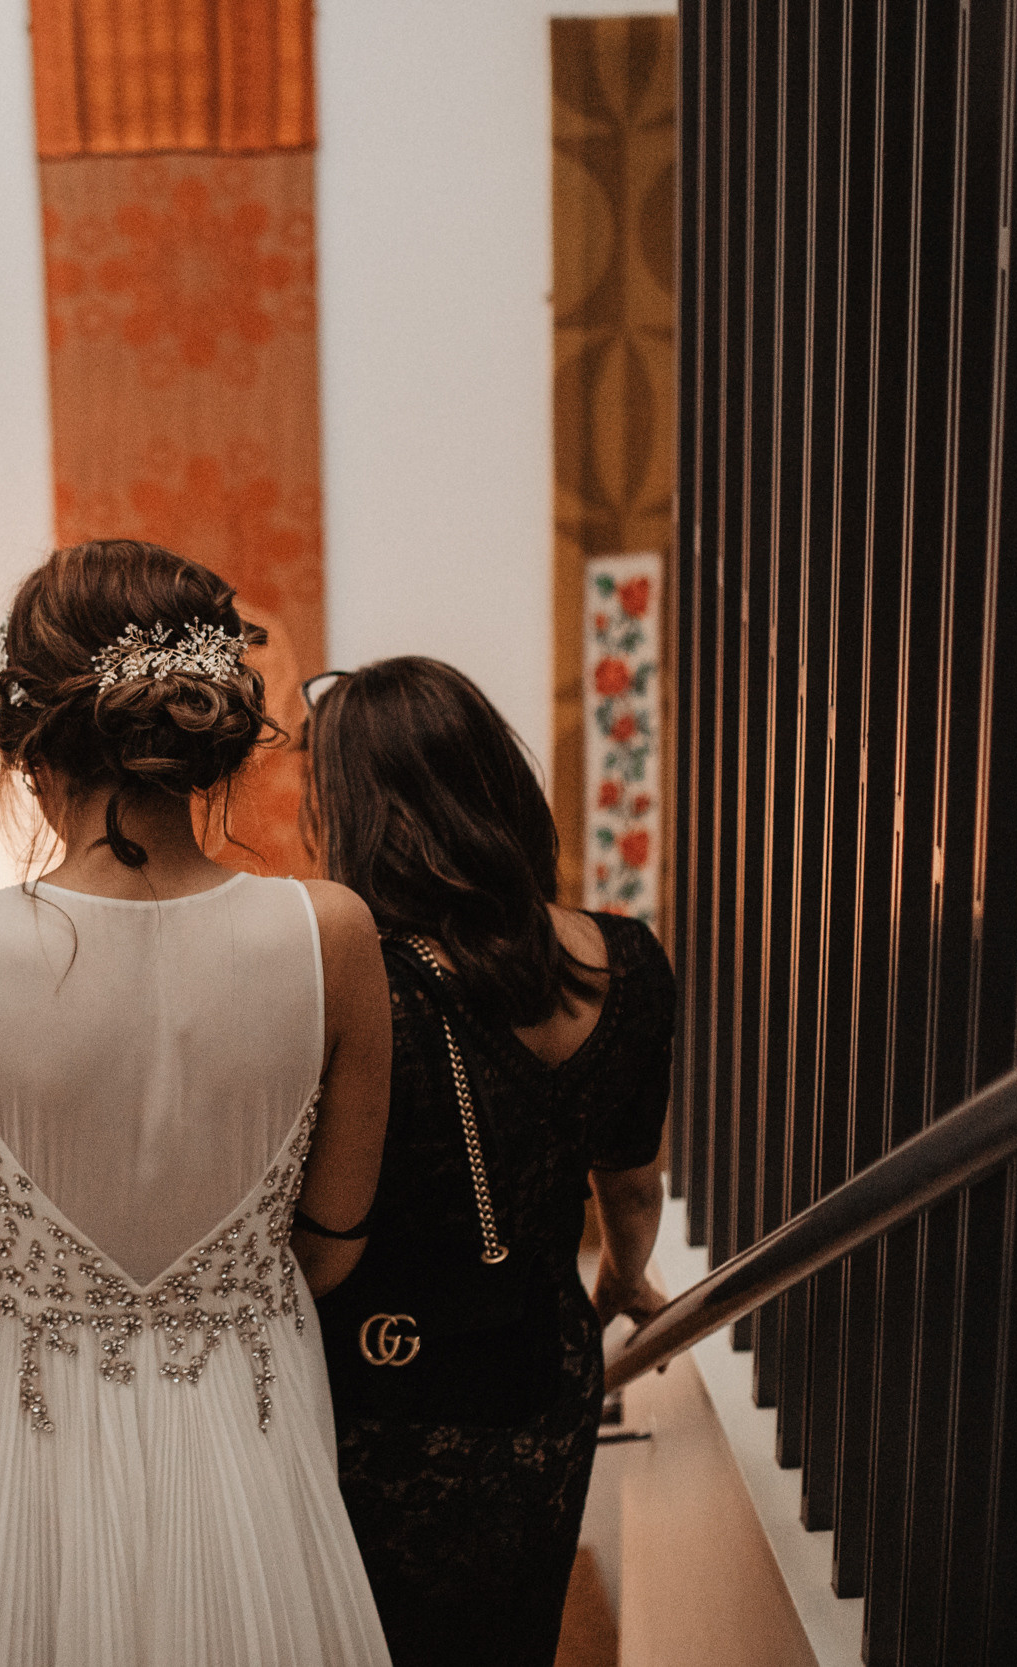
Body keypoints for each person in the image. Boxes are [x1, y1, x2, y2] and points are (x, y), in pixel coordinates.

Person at [0, 541, 396, 1667]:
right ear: (215, 733)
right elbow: (334, 1245)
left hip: (19, 1431)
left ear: (26, 742)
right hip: (245, 1421)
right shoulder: (335, 935)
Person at [302, 655, 674, 1667]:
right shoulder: (629, 959)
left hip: (383, 1379)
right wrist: (625, 1271)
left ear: (357, 812)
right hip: (543, 1364)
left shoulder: (359, 981)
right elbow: (631, 1178)